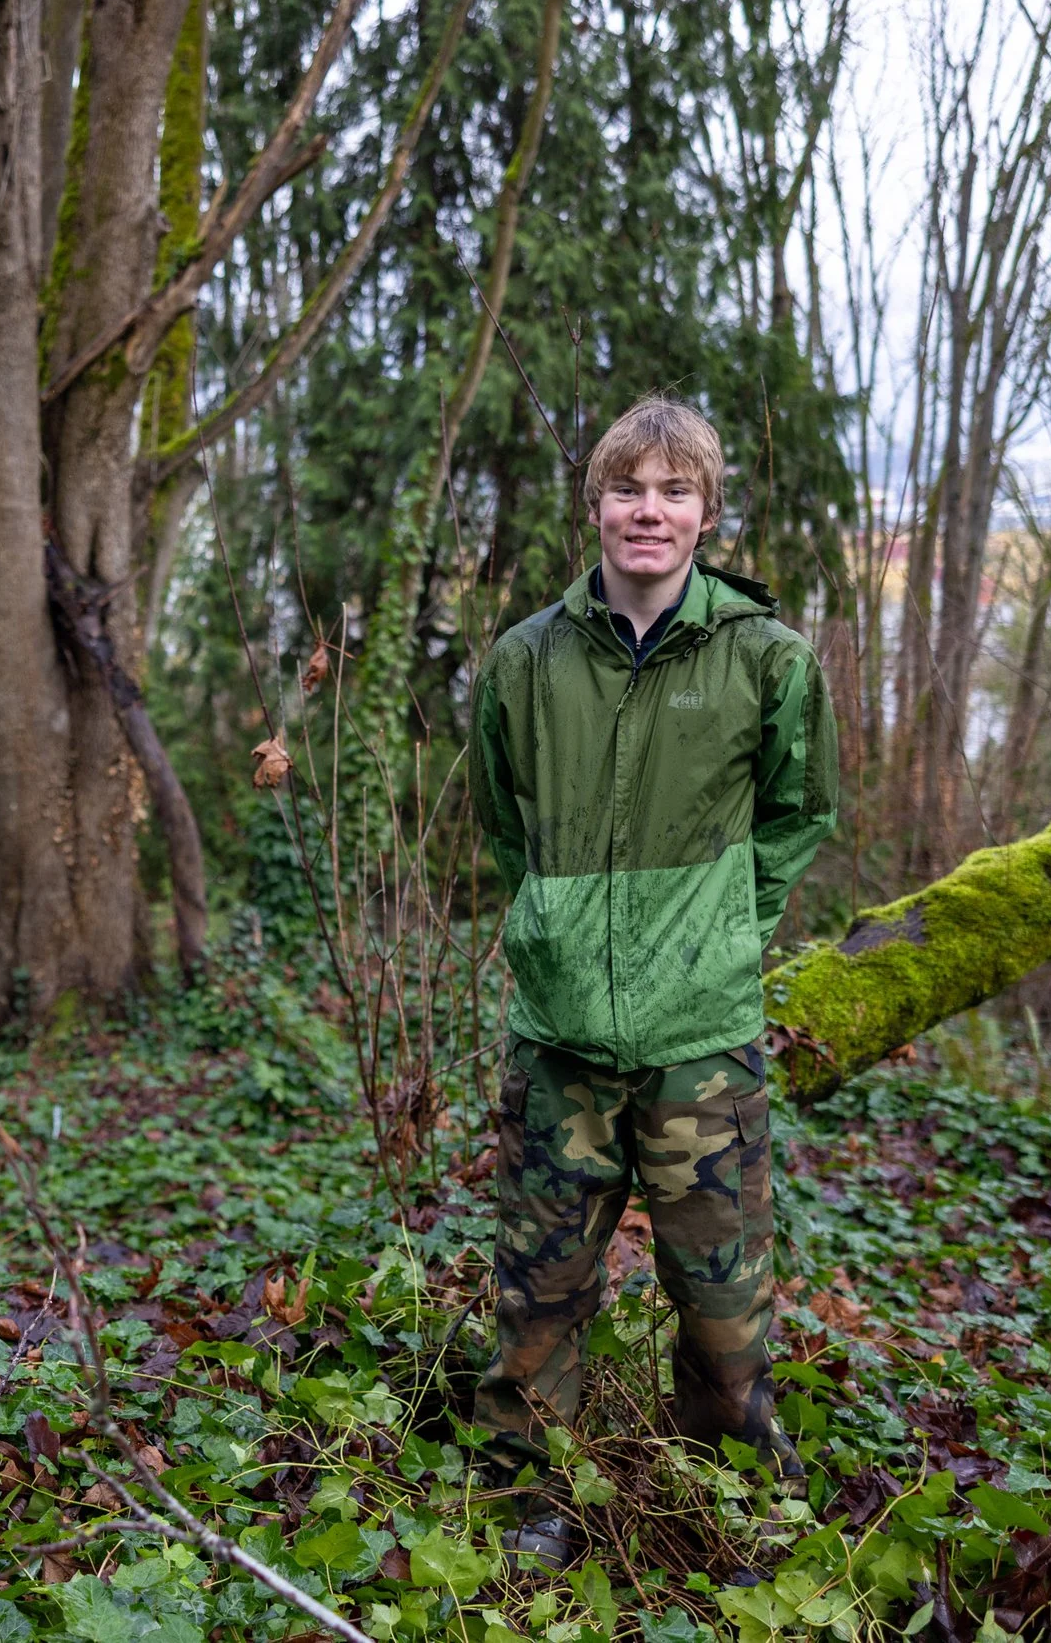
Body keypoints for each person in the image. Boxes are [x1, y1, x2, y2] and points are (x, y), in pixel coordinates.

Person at [467, 395, 838, 1564]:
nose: (648, 509)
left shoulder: (764, 658)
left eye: (674, 491)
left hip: (701, 1044)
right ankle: (525, 1506)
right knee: (537, 1299)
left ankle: (733, 1506)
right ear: (594, 507)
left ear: (706, 513)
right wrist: (553, 929)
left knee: (724, 1314)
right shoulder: (525, 660)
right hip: (560, 1041)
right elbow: (499, 822)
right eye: (628, 487)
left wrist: (724, 923)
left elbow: (799, 813)